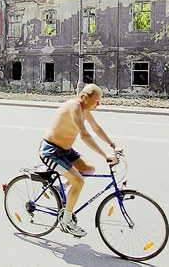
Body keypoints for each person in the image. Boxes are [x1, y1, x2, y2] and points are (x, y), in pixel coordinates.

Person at [39, 84, 121, 237]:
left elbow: (96, 128)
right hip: (51, 152)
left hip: (65, 151)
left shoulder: (85, 110)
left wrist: (113, 145)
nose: (99, 104)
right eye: (96, 100)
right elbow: (84, 134)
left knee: (89, 169)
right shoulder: (74, 106)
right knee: (78, 181)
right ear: (84, 98)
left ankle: (60, 186)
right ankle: (66, 221)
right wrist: (105, 156)